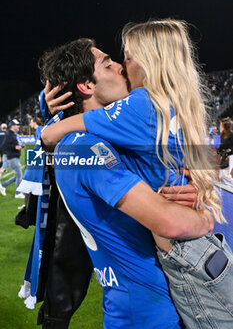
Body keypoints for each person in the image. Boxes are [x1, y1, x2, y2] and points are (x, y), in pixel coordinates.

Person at [42, 20, 233, 328]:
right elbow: (170, 222)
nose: (120, 65)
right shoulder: (84, 146)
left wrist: (194, 182)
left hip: (166, 293)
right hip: (145, 311)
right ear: (86, 85)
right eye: (108, 63)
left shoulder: (112, 134)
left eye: (124, 58)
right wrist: (204, 218)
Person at [0, 119, 25, 198]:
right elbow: (4, 146)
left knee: (18, 176)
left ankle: (3, 185)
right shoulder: (9, 135)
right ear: (12, 126)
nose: (19, 126)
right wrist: (14, 147)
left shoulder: (13, 134)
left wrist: (18, 147)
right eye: (17, 125)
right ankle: (18, 193)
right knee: (19, 175)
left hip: (14, 157)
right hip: (12, 157)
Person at [218, 117, 233, 186]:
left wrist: (230, 149)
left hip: (230, 156)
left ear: (225, 126)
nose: (220, 126)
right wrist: (219, 150)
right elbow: (221, 145)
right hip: (223, 156)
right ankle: (225, 187)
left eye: (221, 125)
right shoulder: (222, 134)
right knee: (221, 175)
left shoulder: (231, 135)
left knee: (226, 174)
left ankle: (230, 185)